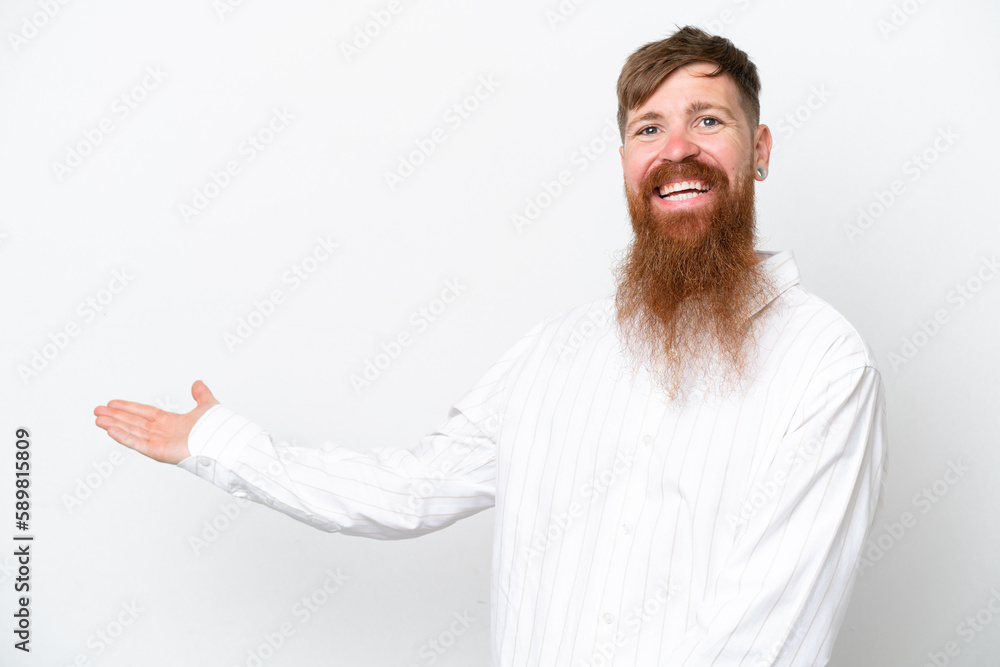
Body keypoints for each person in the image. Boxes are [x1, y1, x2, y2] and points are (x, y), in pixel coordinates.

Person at [95, 25, 887, 667]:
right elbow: (413, 487)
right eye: (650, 127)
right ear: (624, 165)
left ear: (761, 149)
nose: (676, 148)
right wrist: (223, 444)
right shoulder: (555, 355)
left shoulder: (825, 366)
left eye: (708, 119)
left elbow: (764, 634)